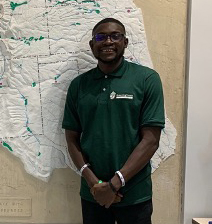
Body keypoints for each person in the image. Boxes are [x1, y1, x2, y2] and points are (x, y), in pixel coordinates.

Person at [62, 18, 165, 224]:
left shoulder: (147, 79)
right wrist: (95, 185)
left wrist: (114, 184)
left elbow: (151, 140)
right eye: (101, 37)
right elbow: (72, 139)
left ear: (125, 42)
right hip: (93, 194)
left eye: (115, 36)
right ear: (92, 45)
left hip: (135, 194)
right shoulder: (79, 86)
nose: (108, 41)